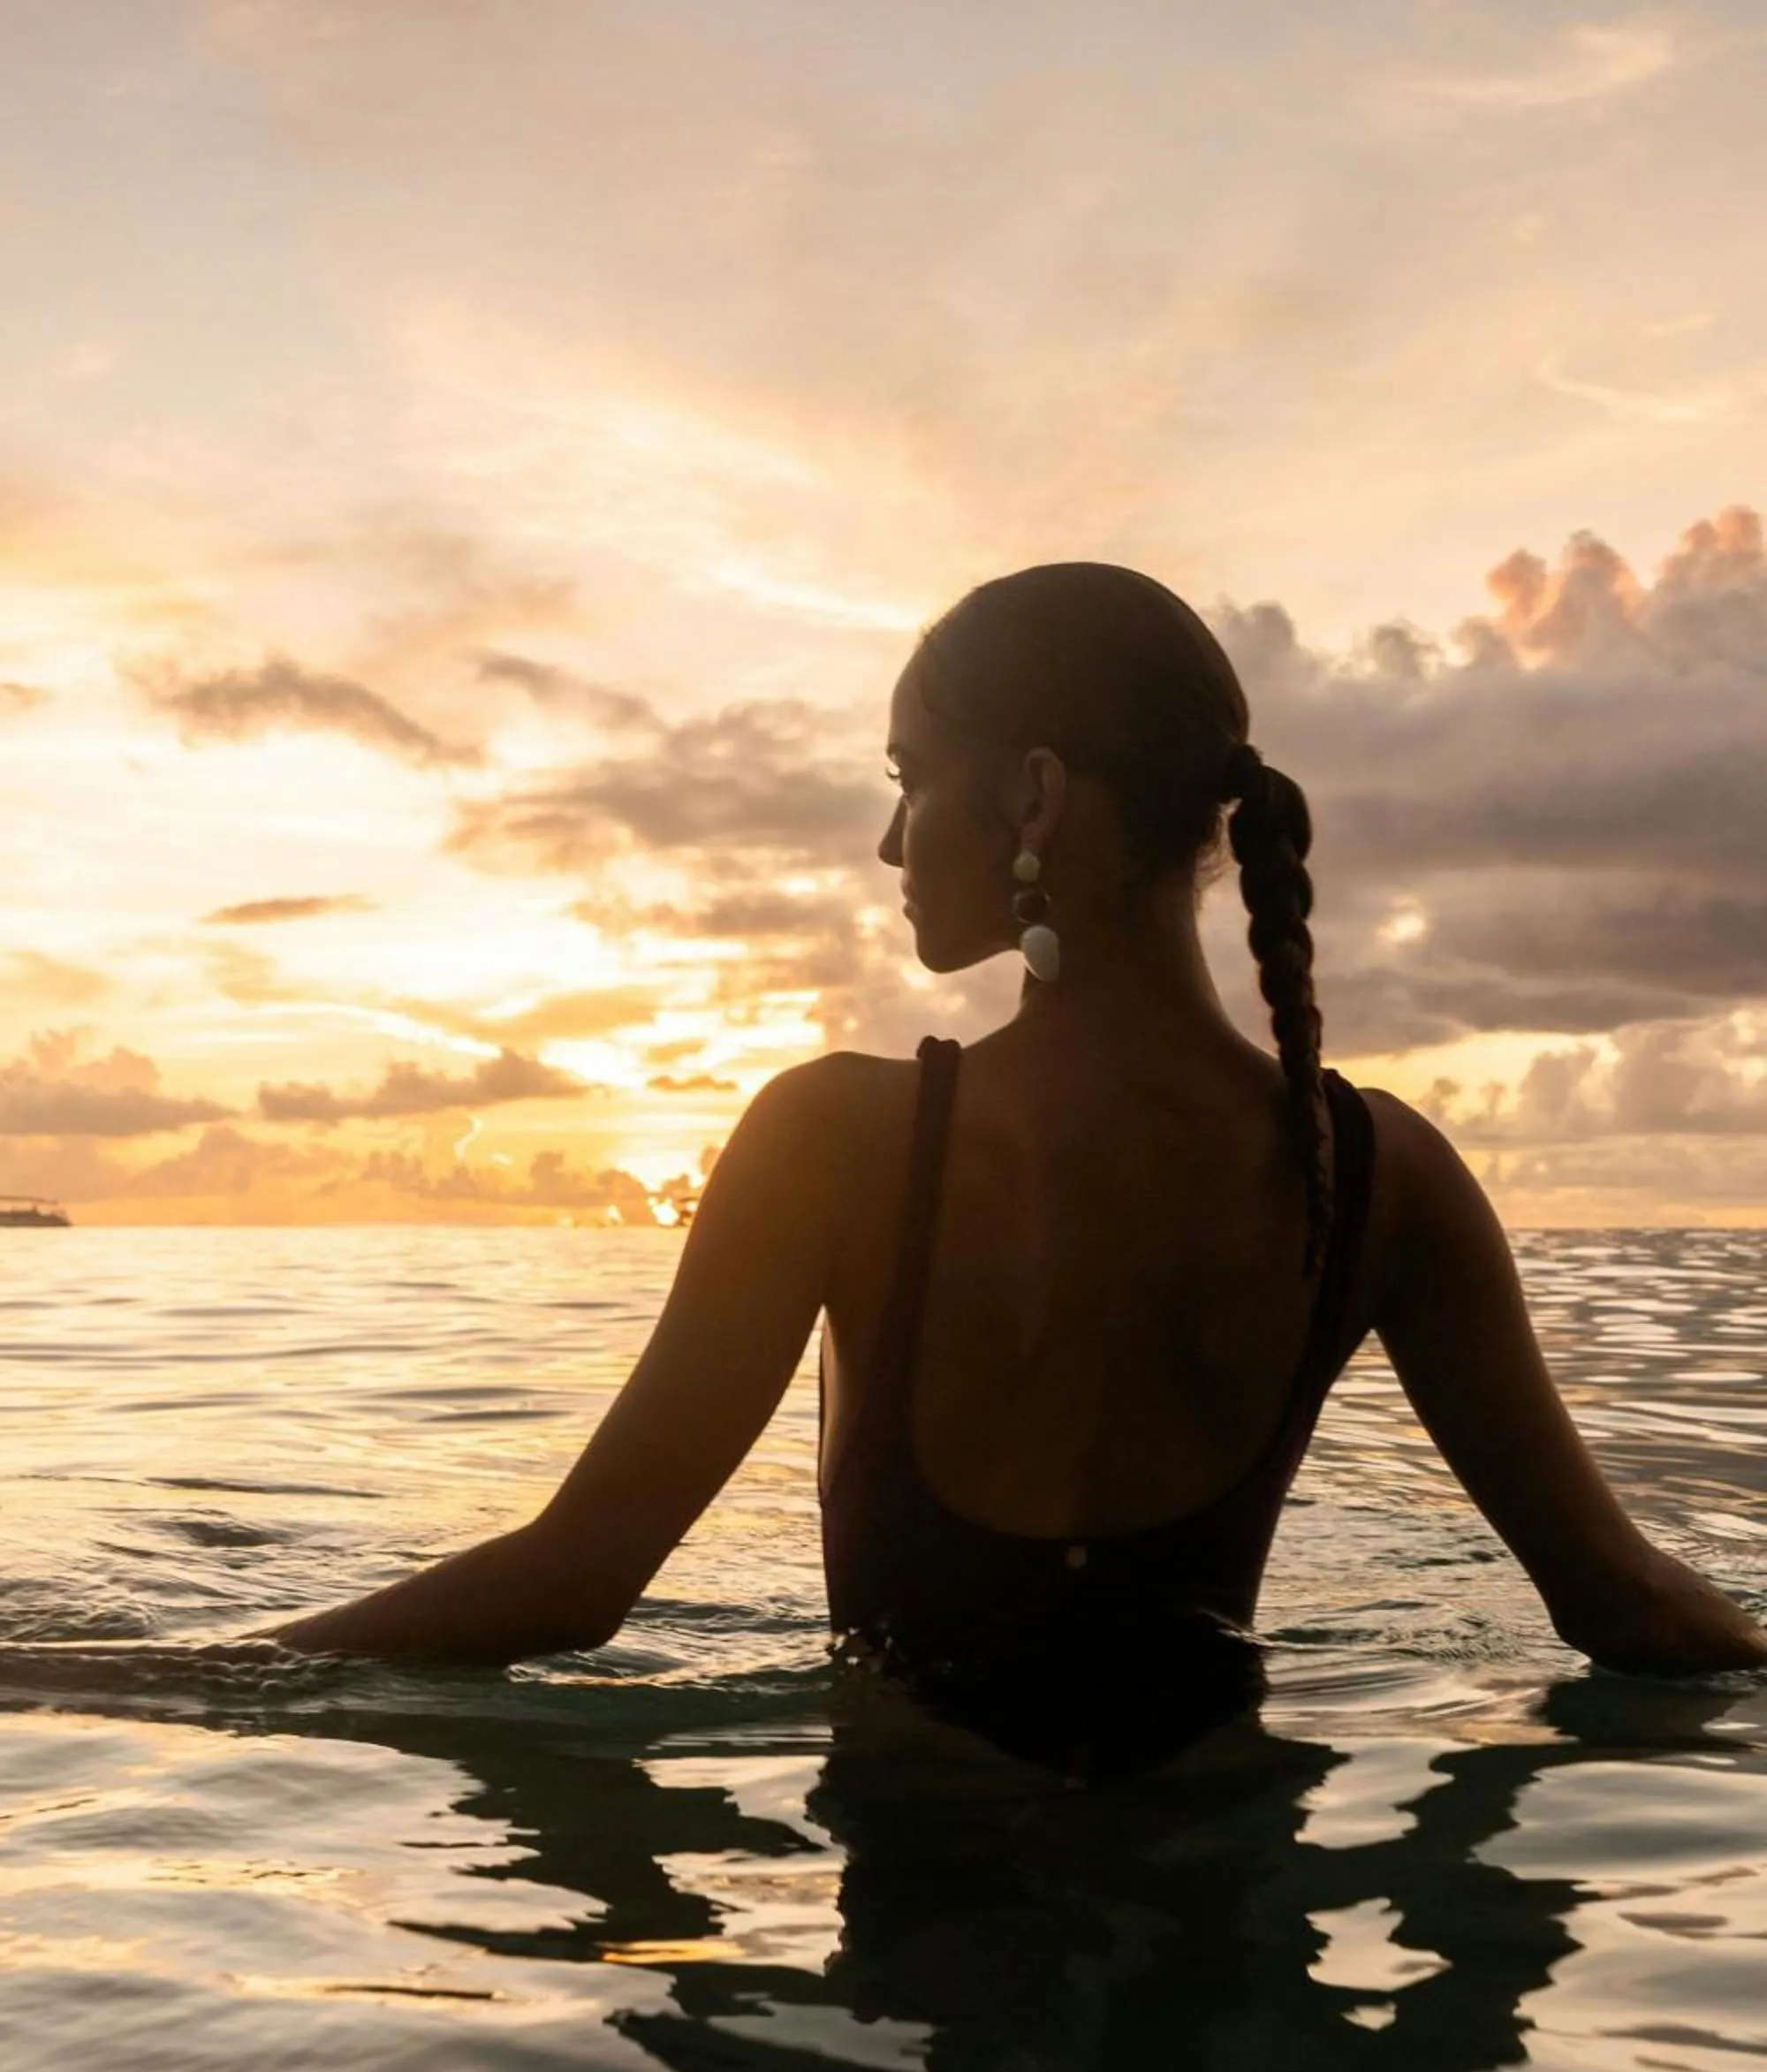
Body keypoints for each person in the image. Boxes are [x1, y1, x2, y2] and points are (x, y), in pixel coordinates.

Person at [267, 561, 1767, 1743]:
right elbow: (1624, 1606)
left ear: (1033, 794)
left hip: (927, 1968)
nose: (886, 840)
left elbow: (570, 1583)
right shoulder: (1385, 1174)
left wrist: (148, 1677)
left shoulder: (836, 1141)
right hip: (1226, 1967)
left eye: (908, 775)